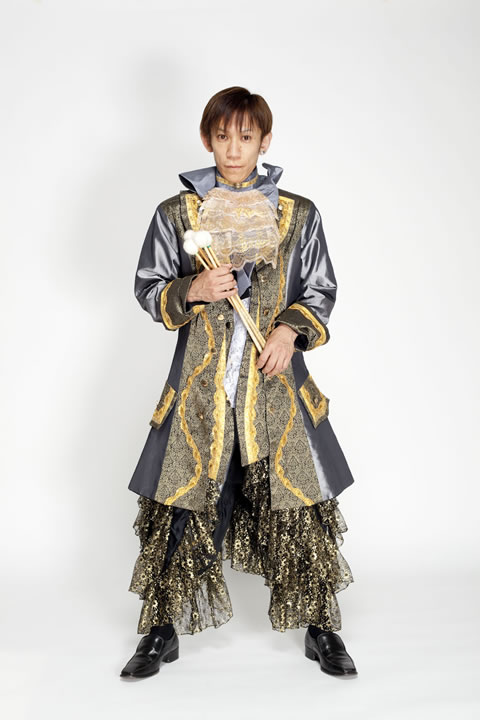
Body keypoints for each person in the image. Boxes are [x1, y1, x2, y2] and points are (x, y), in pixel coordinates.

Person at [120, 86, 358, 679]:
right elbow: (149, 286)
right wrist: (193, 289)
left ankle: (321, 628)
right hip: (200, 391)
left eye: (245, 137)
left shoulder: (298, 215)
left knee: (299, 507)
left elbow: (320, 290)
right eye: (223, 136)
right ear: (208, 139)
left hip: (273, 389)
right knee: (182, 506)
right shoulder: (177, 214)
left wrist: (289, 332)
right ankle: (160, 631)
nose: (233, 149)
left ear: (264, 141)